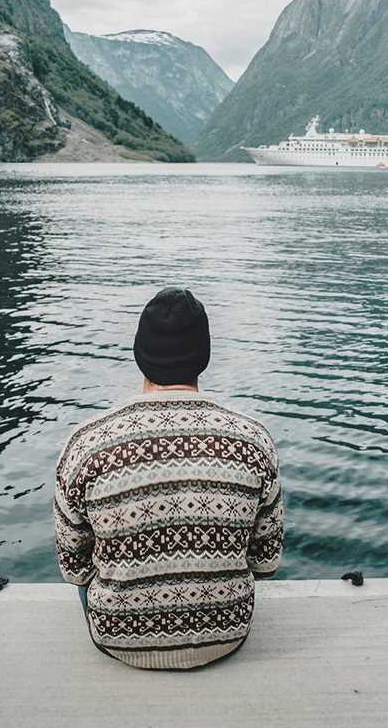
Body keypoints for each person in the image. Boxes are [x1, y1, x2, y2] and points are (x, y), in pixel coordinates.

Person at [53, 287, 284, 670]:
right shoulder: (254, 441)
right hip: (227, 634)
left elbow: (73, 566)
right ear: (204, 357)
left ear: (138, 354)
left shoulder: (86, 445)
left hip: (117, 637)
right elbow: (266, 561)